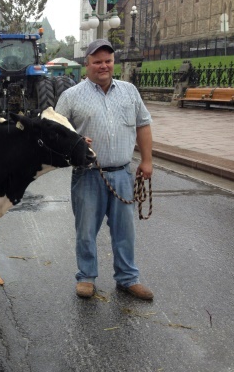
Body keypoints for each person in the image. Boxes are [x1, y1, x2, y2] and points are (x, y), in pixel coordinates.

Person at [55, 39, 154, 301]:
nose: (103, 66)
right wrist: (74, 141)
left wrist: (147, 161)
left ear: (114, 63)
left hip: (123, 173)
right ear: (86, 64)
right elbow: (55, 132)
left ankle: (128, 278)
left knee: (125, 231)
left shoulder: (130, 91)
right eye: (97, 61)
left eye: (108, 61)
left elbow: (143, 125)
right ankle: (86, 277)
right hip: (88, 174)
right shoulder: (71, 96)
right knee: (86, 229)